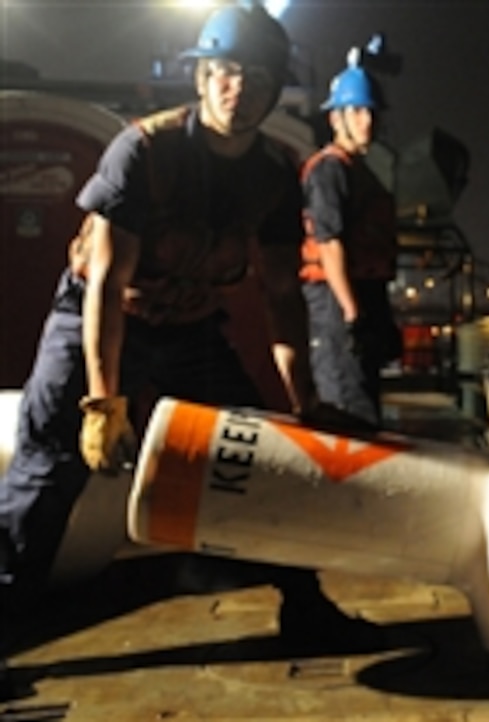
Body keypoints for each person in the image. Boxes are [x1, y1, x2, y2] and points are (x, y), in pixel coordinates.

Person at [0, 1, 381, 689]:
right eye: (227, 73)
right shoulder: (145, 151)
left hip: (189, 329)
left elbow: (281, 297)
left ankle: (304, 605)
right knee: (48, 473)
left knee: (258, 454)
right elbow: (107, 286)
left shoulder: (270, 176)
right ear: (202, 77)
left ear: (274, 90)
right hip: (99, 319)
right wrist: (101, 399)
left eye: (258, 78)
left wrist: (306, 405)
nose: (240, 90)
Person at [299, 47, 401, 427]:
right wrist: (352, 312)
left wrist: (378, 317)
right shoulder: (329, 170)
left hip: (362, 295)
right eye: (357, 111)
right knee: (347, 410)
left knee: (364, 404)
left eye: (372, 112)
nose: (367, 121)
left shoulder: (359, 171)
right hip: (336, 300)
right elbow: (330, 243)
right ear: (336, 118)